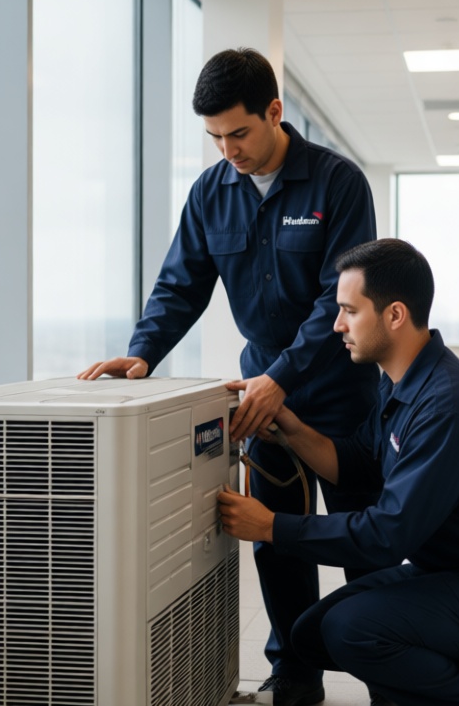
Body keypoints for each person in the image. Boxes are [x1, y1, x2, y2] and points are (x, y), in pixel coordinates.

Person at [78, 48, 384, 706]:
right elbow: (179, 285)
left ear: (274, 112)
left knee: (366, 546)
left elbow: (338, 300)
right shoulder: (210, 194)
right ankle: (298, 674)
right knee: (279, 546)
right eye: (214, 137)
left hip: (345, 400)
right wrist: (142, 353)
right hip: (264, 407)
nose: (228, 151)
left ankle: (390, 669)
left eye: (238, 133)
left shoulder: (337, 184)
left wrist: (282, 375)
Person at [217, 238, 459, 706]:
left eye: (349, 311)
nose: (337, 326)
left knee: (353, 631)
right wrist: (291, 429)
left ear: (394, 315)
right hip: (448, 574)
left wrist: (270, 526)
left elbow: (386, 535)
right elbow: (354, 464)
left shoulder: (448, 408)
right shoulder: (400, 382)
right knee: (311, 634)